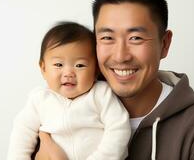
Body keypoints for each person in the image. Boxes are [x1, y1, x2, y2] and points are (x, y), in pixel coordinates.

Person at [34, 0, 194, 160]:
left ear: (164, 44)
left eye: (135, 38)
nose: (121, 56)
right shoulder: (54, 109)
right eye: (107, 37)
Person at [7, 22, 131, 160]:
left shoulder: (101, 94)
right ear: (43, 68)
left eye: (79, 65)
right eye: (58, 65)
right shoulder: (40, 99)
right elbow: (22, 132)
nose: (68, 73)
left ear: (96, 70)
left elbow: (119, 128)